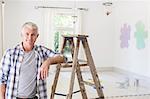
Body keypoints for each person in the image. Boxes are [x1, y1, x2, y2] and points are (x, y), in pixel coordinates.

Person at [0, 22, 65, 99]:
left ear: (37, 36)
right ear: (22, 35)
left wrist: (48, 61)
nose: (30, 38)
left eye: (33, 34)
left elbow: (63, 58)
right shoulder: (10, 53)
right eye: (27, 34)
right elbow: (2, 79)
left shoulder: (41, 51)